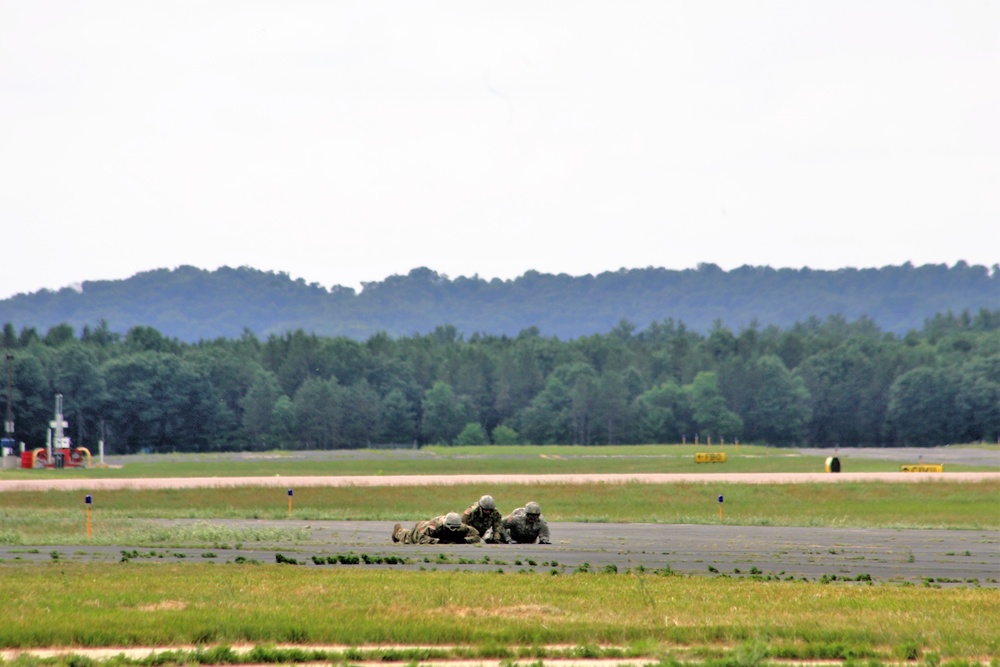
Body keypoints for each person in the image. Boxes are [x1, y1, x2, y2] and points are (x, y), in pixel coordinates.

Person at [391, 512, 482, 544]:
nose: (454, 531)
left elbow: (477, 537)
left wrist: (464, 541)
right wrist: (438, 541)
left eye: (456, 529)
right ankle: (398, 531)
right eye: (451, 529)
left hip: (440, 534)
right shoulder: (435, 527)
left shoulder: (462, 527)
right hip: (423, 527)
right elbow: (420, 537)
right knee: (411, 538)